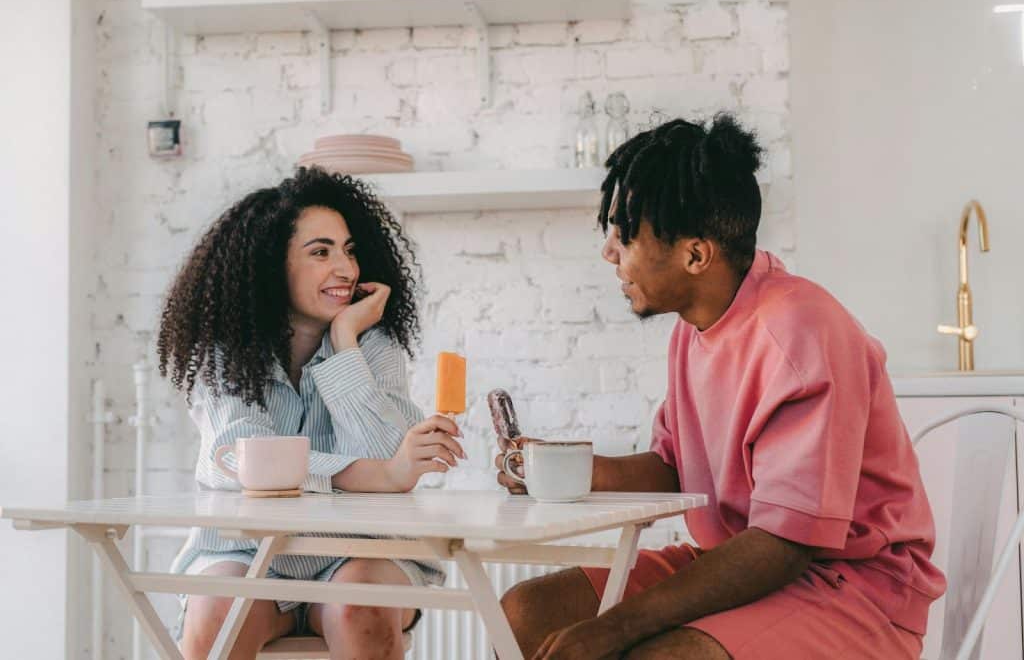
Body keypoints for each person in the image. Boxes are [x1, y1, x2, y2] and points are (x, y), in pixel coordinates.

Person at [494, 115, 946, 659]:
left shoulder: (801, 333)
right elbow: (675, 464)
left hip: (852, 587)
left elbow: (785, 544)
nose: (610, 253)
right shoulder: (695, 328)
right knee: (526, 612)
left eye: (626, 233)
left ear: (695, 254)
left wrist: (615, 628)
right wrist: (562, 470)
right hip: (744, 561)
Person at [158, 167, 464, 659]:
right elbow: (243, 460)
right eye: (321, 252)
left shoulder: (376, 345)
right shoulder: (223, 353)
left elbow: (391, 459)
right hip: (244, 553)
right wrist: (379, 474)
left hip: (358, 549)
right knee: (219, 609)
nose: (344, 268)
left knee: (359, 605)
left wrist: (346, 343)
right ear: (270, 266)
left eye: (349, 250)